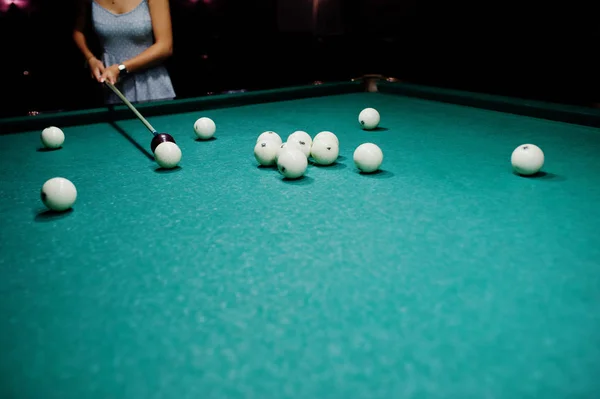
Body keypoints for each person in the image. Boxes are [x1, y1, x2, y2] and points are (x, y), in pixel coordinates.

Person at [73, 0, 176, 104]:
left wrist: (120, 68)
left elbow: (165, 47)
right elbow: (77, 32)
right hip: (113, 87)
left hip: (151, 86)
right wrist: (90, 58)